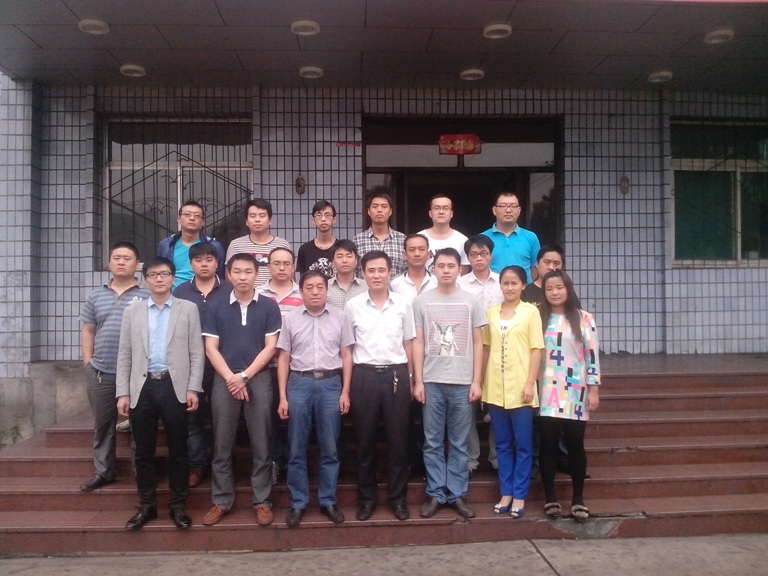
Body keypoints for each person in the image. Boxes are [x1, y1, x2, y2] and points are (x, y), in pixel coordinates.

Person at [116, 257, 204, 530]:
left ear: (172, 278)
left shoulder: (187, 309)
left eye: (164, 274)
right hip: (142, 388)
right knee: (143, 451)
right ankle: (147, 506)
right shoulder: (133, 312)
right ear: (145, 280)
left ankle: (178, 506)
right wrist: (123, 392)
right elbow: (124, 354)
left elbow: (196, 352)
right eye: (153, 275)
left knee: (179, 449)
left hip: (174, 386)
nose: (159, 279)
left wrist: (193, 388)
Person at [201, 253, 282, 527]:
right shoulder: (216, 306)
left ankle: (262, 501)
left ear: (256, 274)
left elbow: (270, 347)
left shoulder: (269, 306)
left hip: (258, 378)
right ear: (229, 274)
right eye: (237, 271)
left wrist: (245, 376)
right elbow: (211, 348)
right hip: (224, 379)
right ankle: (221, 500)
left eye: (248, 271)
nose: (243, 277)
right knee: (221, 443)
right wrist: (232, 379)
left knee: (262, 442)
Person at [412, 248, 486, 520]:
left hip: (462, 382)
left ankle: (456, 494)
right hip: (431, 381)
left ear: (459, 269)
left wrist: (476, 380)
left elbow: (478, 342)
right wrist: (418, 380)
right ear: (433, 268)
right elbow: (418, 342)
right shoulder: (421, 301)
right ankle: (436, 493)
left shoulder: (471, 301)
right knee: (432, 442)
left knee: (458, 443)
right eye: (441, 265)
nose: (445, 270)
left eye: (451, 266)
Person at [276, 271, 354, 527]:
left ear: (326, 290)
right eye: (309, 287)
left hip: (331, 384)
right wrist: (283, 396)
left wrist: (345, 391)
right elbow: (284, 359)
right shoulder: (290, 319)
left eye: (320, 286)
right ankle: (298, 503)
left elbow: (346, 355)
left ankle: (328, 500)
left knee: (330, 447)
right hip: (299, 383)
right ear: (301, 291)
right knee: (296, 447)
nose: (315, 291)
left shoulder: (340, 317)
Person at [345, 250, 415, 522]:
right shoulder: (353, 306)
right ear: (363, 274)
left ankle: (398, 499)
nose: (376, 275)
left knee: (398, 441)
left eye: (381, 270)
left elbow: (408, 343)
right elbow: (347, 348)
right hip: (364, 376)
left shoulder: (403, 304)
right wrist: (347, 387)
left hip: (396, 375)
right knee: (364, 441)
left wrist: (412, 378)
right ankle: (367, 500)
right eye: (371, 270)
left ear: (390, 273)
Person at [78, 242, 149, 492]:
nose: (121, 262)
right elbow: (88, 329)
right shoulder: (95, 296)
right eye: (116, 257)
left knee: (140, 424)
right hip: (101, 371)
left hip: (137, 373)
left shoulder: (147, 294)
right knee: (103, 424)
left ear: (136, 264)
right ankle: (103, 471)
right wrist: (88, 360)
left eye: (127, 258)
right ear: (109, 263)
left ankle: (141, 472)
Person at [538, 270, 600, 522]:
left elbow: (592, 356)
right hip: (546, 391)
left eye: (559, 287)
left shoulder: (584, 318)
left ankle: (578, 498)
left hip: (576, 391)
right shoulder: (538, 318)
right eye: (549, 288)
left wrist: (594, 389)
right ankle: (550, 497)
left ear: (568, 289)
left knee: (575, 445)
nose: (555, 292)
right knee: (548, 446)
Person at [482, 265, 544, 519]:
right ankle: (505, 492)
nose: (509, 287)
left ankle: (519, 495)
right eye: (505, 283)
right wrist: (480, 381)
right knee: (503, 445)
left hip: (521, 389)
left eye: (514, 283)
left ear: (523, 285)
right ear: (500, 285)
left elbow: (536, 349)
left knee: (523, 445)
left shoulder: (531, 312)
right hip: (495, 388)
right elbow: (485, 348)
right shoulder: (491, 313)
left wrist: (530, 383)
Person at [173, 242, 233, 487]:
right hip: (190, 364)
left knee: (222, 417)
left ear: (217, 263)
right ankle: (197, 465)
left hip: (224, 363)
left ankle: (223, 464)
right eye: (198, 260)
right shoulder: (180, 292)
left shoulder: (229, 289)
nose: (204, 264)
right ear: (190, 264)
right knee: (193, 417)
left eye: (209, 260)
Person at [256, 247, 304, 485]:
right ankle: (275, 462)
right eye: (276, 263)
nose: (282, 268)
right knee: (270, 418)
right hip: (265, 368)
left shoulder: (304, 294)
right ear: (269, 267)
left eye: (286, 263)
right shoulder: (257, 294)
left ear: (293, 267)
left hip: (296, 368)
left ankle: (295, 463)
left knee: (295, 418)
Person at [457, 234, 504, 474]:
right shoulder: (459, 283)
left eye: (483, 253)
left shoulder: (502, 281)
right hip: (468, 349)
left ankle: (497, 456)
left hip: (499, 350)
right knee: (467, 407)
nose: (479, 258)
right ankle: (471, 458)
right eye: (474, 254)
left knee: (497, 406)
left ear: (491, 255)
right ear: (468, 257)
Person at [157, 200, 225, 289]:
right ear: (179, 219)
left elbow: (219, 276)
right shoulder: (166, 245)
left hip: (203, 294)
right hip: (172, 294)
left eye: (197, 215)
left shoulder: (214, 246)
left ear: (202, 222)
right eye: (187, 214)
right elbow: (160, 272)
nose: (192, 218)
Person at [225, 198, 291, 287]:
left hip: (275, 295)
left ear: (270, 220)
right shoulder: (235, 245)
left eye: (262, 216)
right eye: (252, 216)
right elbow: (229, 278)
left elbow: (290, 276)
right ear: (246, 221)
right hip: (244, 295)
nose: (257, 220)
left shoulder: (282, 245)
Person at [482, 192, 540, 283]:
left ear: (519, 210)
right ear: (494, 210)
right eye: (503, 206)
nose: (508, 210)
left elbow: (535, 268)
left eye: (513, 206)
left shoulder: (531, 237)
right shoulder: (482, 238)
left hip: (524, 290)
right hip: (492, 290)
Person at [353, 191, 406, 276]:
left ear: (390, 212)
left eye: (384, 206)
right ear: (369, 211)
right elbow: (352, 272)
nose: (379, 210)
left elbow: (408, 271)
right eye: (375, 206)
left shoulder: (402, 240)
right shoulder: (357, 241)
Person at [418, 194, 470, 274]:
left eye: (445, 208)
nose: (441, 212)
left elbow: (463, 274)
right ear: (430, 213)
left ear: (451, 214)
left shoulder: (463, 240)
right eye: (436, 208)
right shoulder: (419, 238)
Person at [390, 233, 437, 304]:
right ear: (405, 255)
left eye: (421, 249)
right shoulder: (394, 284)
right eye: (412, 250)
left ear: (428, 255)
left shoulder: (438, 282)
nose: (417, 254)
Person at [296, 200, 338, 278]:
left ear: (334, 219)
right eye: (319, 215)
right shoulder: (304, 249)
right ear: (313, 220)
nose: (323, 219)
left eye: (327, 215)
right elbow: (303, 280)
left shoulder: (341, 248)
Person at [326, 239, 367, 310]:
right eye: (339, 256)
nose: (344, 260)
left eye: (349, 256)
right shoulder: (325, 287)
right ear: (333, 262)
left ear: (356, 261)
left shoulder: (366, 287)